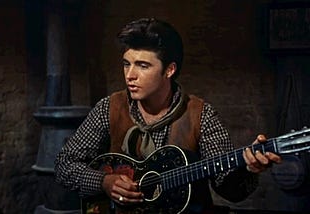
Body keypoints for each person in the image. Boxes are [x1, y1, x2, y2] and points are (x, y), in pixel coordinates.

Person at [54, 18, 281, 214]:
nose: (130, 75)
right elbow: (64, 164)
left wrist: (248, 169)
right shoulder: (109, 108)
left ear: (169, 70)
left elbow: (230, 191)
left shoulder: (201, 115)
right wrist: (104, 182)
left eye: (142, 66)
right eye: (126, 64)